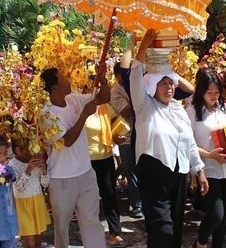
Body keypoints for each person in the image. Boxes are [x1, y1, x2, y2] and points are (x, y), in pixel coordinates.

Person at [130, 29, 208, 248]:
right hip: (153, 172)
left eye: (171, 83)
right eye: (163, 84)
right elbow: (135, 75)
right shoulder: (145, 106)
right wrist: (144, 45)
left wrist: (199, 170)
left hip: (179, 173)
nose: (169, 88)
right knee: (161, 230)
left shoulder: (178, 109)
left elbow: (189, 142)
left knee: (174, 230)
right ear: (153, 87)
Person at [39, 62, 110, 248]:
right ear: (54, 87)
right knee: (62, 229)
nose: (68, 78)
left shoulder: (73, 99)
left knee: (92, 222)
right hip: (62, 180)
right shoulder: (46, 114)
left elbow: (104, 97)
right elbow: (66, 141)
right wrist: (84, 116)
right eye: (63, 77)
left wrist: (101, 78)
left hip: (86, 173)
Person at [186, 69, 226, 248]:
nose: (213, 96)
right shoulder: (191, 112)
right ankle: (201, 242)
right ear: (201, 91)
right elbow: (188, 144)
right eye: (209, 92)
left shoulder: (223, 107)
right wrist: (210, 155)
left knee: (224, 215)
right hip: (209, 169)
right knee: (216, 213)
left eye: (217, 92)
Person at [86, 103, 125, 246]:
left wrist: (116, 137)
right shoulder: (80, 107)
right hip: (86, 160)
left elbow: (115, 125)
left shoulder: (106, 107)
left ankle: (115, 232)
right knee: (89, 199)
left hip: (105, 158)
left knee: (109, 194)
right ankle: (91, 233)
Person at [110, 61, 142, 219]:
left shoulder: (136, 84)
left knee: (142, 170)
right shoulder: (115, 92)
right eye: (123, 74)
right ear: (116, 76)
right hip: (127, 137)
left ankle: (143, 201)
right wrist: (139, 97)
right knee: (131, 171)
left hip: (142, 135)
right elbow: (125, 110)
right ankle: (136, 204)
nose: (127, 77)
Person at [8, 139, 51, 248]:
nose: (24, 150)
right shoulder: (12, 164)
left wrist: (44, 172)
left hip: (37, 201)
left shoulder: (36, 158)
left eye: (26, 146)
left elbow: (45, 184)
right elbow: (18, 188)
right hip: (23, 205)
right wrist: (28, 170)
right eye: (20, 147)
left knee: (37, 240)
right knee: (29, 242)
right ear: (14, 148)